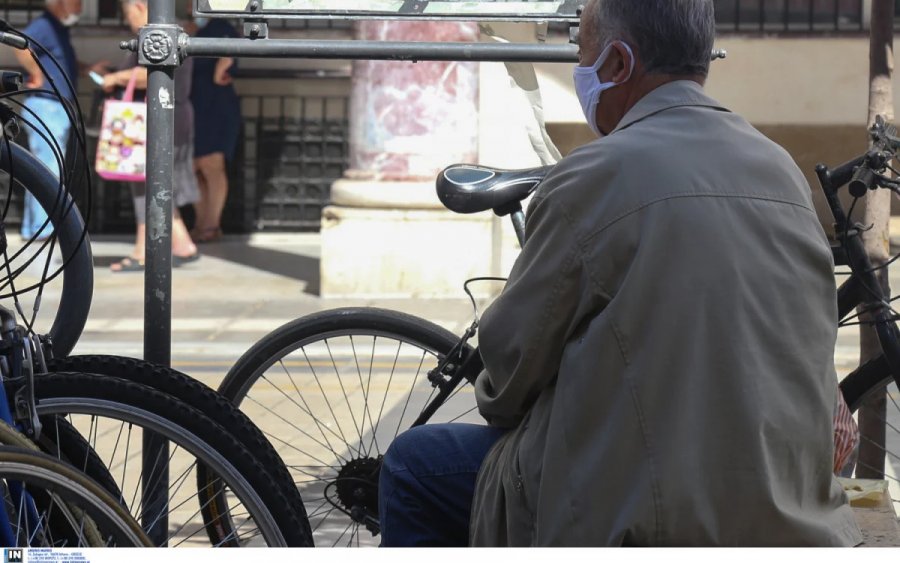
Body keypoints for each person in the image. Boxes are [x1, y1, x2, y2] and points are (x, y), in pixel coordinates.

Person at [377, 0, 862, 547]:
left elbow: (507, 382)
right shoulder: (781, 170)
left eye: (582, 54)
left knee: (413, 465)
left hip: (645, 522)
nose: (580, 71)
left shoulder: (592, 175)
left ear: (616, 65)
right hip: (793, 517)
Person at [102, 0, 199, 272]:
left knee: (147, 181)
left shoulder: (158, 36)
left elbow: (157, 74)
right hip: (171, 114)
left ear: (140, 6)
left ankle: (143, 250)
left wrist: (117, 78)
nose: (127, 20)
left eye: (127, 13)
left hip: (159, 117)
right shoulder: (176, 32)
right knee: (160, 181)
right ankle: (182, 243)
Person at [14, 0, 99, 239]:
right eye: (78, 3)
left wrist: (88, 69)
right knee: (48, 170)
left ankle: (37, 228)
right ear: (62, 2)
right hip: (46, 105)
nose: (81, 9)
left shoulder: (58, 29)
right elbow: (20, 46)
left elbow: (59, 61)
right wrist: (36, 73)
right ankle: (44, 230)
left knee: (46, 168)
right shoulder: (45, 25)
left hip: (55, 106)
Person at [185, 16, 241, 243]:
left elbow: (226, 63)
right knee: (194, 166)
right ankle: (201, 224)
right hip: (193, 105)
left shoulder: (222, 28)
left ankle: (211, 225)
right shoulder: (190, 30)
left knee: (212, 164)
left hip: (215, 105)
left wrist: (222, 69)